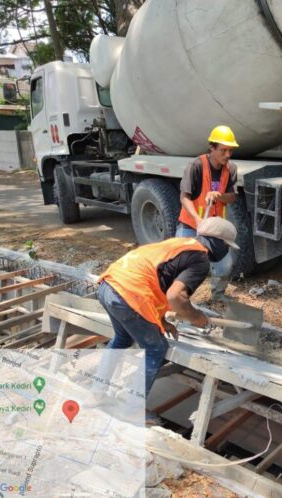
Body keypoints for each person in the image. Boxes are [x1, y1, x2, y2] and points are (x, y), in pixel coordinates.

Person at [97, 217, 239, 422]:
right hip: (129, 294)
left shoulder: (179, 244)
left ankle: (97, 391)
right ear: (217, 242)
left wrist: (161, 320)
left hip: (108, 285)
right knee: (156, 348)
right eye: (226, 245)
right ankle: (131, 409)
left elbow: (158, 278)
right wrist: (196, 317)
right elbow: (176, 296)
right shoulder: (200, 259)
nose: (226, 250)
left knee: (122, 338)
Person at [176, 125, 239, 299]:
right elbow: (184, 197)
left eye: (230, 151)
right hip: (191, 224)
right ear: (211, 148)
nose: (227, 155)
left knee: (224, 264)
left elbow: (232, 197)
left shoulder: (231, 169)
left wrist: (219, 195)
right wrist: (197, 220)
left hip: (214, 228)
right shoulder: (196, 166)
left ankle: (218, 296)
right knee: (183, 264)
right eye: (223, 150)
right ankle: (179, 300)